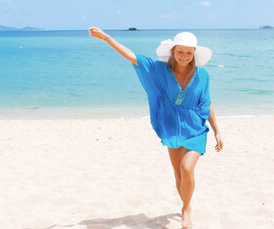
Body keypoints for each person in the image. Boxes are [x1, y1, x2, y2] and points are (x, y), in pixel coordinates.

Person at [88, 27, 223, 228]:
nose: (184, 56)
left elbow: (207, 103)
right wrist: (107, 38)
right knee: (178, 174)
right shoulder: (159, 70)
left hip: (195, 128)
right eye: (180, 51)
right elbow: (132, 57)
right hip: (170, 127)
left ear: (194, 53)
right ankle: (186, 204)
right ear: (173, 51)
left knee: (187, 168)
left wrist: (217, 130)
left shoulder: (202, 75)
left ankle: (186, 208)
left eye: (189, 52)